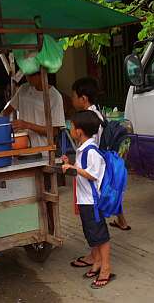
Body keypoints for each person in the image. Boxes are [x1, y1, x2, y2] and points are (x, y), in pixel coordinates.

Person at [70, 77, 130, 268]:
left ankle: (98, 260)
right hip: (94, 173)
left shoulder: (88, 119)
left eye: (74, 96)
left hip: (92, 177)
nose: (72, 99)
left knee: (94, 221)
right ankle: (97, 258)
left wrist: (76, 168)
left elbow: (92, 150)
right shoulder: (95, 113)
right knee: (92, 221)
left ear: (84, 98)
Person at [62, 110, 115, 289]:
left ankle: (106, 267)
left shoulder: (91, 151)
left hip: (92, 201)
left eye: (72, 126)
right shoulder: (82, 149)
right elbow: (81, 170)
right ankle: (98, 262)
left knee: (100, 235)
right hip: (85, 200)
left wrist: (73, 168)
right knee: (91, 233)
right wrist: (69, 164)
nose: (70, 129)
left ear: (79, 131)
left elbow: (92, 174)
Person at [3, 72, 65, 148]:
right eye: (26, 75)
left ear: (41, 74)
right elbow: (7, 111)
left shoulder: (55, 96)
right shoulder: (23, 89)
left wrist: (27, 125)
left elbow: (54, 132)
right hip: (22, 146)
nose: (28, 78)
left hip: (43, 149)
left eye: (31, 75)